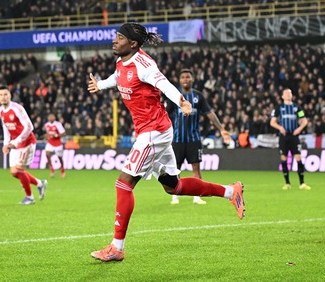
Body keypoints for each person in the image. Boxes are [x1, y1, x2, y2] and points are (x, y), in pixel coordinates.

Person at [87, 22, 245, 262]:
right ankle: (231, 192)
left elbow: (163, 83)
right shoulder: (121, 61)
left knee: (124, 184)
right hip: (156, 130)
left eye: (119, 37)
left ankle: (117, 247)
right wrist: (101, 84)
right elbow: (118, 78)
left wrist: (181, 101)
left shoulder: (145, 64)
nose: (114, 41)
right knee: (174, 186)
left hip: (154, 132)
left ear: (133, 43)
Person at [165, 69, 231, 205]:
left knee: (196, 168)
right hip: (177, 139)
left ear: (192, 79)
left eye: (188, 77)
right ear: (180, 80)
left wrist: (222, 129)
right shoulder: (174, 96)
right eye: (183, 77)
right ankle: (175, 195)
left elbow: (210, 113)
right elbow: (164, 114)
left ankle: (197, 196)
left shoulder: (198, 96)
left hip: (194, 140)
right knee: (175, 167)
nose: (185, 79)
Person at [0, 85, 48, 205]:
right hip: (15, 144)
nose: (3, 97)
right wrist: (6, 143)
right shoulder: (1, 110)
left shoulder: (17, 108)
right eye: (1, 95)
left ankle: (30, 197)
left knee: (19, 170)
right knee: (14, 172)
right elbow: (5, 127)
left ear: (10, 95)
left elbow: (30, 127)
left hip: (26, 142)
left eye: (5, 94)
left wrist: (16, 141)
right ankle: (40, 183)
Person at [270, 88, 311, 190]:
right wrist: (280, 127)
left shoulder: (297, 108)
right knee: (284, 158)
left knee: (298, 157)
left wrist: (299, 129)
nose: (288, 94)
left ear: (292, 95)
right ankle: (287, 183)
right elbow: (272, 122)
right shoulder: (279, 108)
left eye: (290, 93)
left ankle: (302, 183)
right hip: (283, 137)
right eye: (286, 93)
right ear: (282, 96)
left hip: (294, 136)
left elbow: (304, 121)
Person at [44, 113, 66, 178]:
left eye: (51, 116)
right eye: (49, 117)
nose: (50, 118)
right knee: (47, 154)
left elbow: (63, 133)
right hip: (50, 142)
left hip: (58, 143)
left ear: (54, 117)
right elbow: (48, 133)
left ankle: (62, 169)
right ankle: (52, 169)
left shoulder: (58, 124)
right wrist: (47, 136)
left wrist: (56, 135)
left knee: (60, 157)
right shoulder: (46, 125)